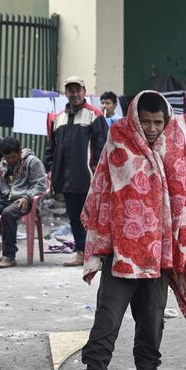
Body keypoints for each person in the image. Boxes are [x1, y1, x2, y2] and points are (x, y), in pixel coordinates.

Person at [69, 91, 186, 370]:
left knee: (152, 323)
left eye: (157, 122)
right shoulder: (118, 140)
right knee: (107, 320)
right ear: (134, 120)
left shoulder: (176, 145)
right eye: (145, 122)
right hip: (122, 254)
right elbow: (102, 190)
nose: (152, 128)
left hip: (160, 255)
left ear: (166, 121)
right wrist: (101, 243)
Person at [45, 76, 108, 267]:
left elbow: (103, 146)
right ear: (66, 93)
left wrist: (99, 172)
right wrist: (51, 169)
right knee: (74, 216)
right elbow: (51, 148)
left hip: (88, 177)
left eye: (77, 90)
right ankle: (81, 252)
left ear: (84, 91)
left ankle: (99, 254)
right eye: (70, 90)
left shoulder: (95, 115)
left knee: (94, 217)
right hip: (66, 178)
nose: (74, 94)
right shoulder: (58, 119)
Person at [0, 137, 48, 269]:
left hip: (25, 202)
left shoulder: (32, 162)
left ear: (19, 151)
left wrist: (27, 197)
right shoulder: (1, 166)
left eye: (13, 157)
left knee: (8, 213)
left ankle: (9, 256)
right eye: (7, 157)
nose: (10, 160)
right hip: (4, 200)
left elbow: (40, 185)